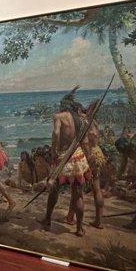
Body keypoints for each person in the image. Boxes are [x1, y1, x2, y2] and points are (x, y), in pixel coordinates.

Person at [39, 95, 92, 236]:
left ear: (63, 104)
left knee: (54, 190)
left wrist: (53, 150)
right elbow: (85, 141)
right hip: (78, 157)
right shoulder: (79, 119)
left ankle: (48, 220)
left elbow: (56, 133)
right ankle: (79, 229)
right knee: (78, 194)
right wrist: (89, 158)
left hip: (63, 157)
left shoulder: (58, 116)